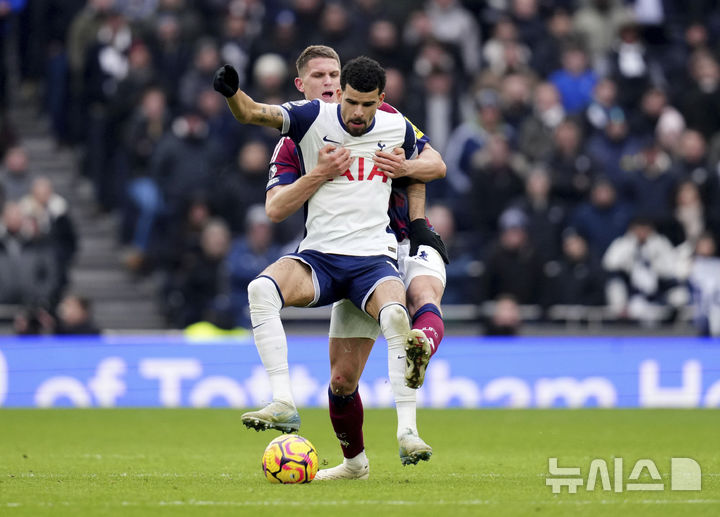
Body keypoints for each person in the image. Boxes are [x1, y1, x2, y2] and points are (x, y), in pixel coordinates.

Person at [213, 54, 444, 479]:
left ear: (379, 99)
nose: (357, 112)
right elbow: (251, 113)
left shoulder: (395, 123)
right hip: (319, 257)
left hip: (374, 260)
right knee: (260, 290)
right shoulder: (307, 121)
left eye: (365, 103)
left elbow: (434, 166)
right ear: (308, 85)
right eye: (350, 101)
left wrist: (407, 170)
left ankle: (408, 432)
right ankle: (283, 402)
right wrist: (231, 93)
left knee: (396, 317)